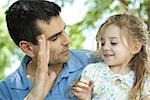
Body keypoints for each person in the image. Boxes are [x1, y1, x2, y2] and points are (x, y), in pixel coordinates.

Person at [0, 0, 97, 99]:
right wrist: (33, 97)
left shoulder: (94, 62)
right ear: (28, 48)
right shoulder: (5, 91)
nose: (68, 40)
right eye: (54, 38)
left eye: (64, 30)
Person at [72, 14, 150, 100]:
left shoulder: (143, 80)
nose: (105, 47)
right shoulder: (93, 72)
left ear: (135, 48)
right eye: (102, 43)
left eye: (113, 42)